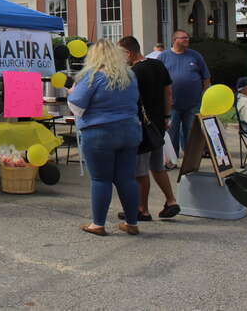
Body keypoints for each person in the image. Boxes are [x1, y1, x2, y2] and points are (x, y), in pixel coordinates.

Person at [68, 40, 142, 236]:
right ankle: (132, 222)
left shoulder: (92, 76)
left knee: (101, 179)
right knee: (127, 179)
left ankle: (98, 224)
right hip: (129, 130)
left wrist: (71, 92)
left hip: (99, 132)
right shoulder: (129, 76)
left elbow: (76, 106)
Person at [118, 36, 180, 221]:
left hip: (141, 126)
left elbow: (128, 100)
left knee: (140, 171)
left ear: (129, 53)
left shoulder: (133, 73)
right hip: (158, 124)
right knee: (157, 166)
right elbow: (168, 92)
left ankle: (142, 209)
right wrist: (167, 116)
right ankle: (171, 201)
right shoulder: (157, 65)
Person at [159, 30, 210, 156]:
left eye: (187, 38)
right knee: (172, 133)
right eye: (184, 38)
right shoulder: (163, 57)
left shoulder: (195, 56)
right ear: (174, 40)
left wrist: (204, 93)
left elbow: (206, 77)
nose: (187, 40)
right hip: (171, 104)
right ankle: (173, 159)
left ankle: (190, 160)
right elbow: (157, 78)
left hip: (193, 104)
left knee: (191, 133)